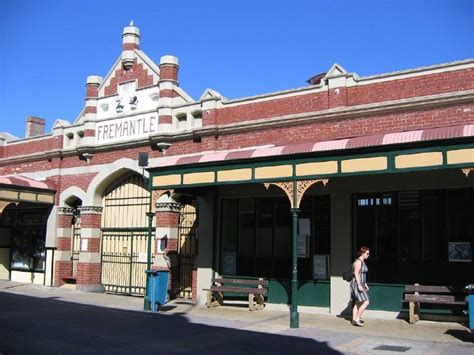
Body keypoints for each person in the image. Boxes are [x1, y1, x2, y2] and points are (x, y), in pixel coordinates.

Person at [350, 246, 370, 327]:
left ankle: (354, 319)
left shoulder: (362, 261)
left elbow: (362, 274)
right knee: (366, 301)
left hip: (361, 283)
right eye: (367, 253)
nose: (368, 255)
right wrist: (359, 285)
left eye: (368, 253)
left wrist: (365, 284)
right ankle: (357, 318)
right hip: (357, 283)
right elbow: (356, 273)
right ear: (362, 253)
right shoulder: (358, 262)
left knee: (357, 302)